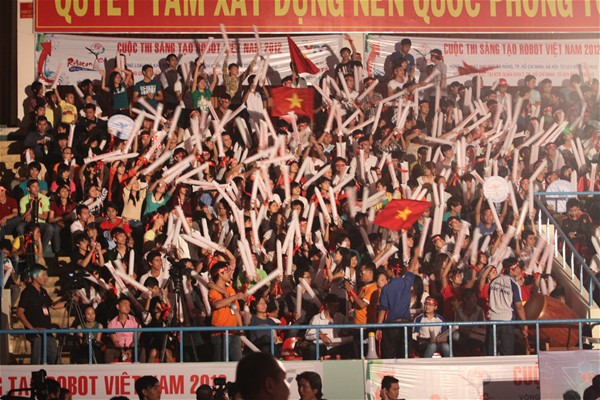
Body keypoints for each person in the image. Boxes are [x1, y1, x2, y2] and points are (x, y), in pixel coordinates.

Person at [16, 264, 65, 364]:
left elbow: (54, 306)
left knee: (55, 359)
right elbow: (19, 313)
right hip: (36, 334)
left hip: (47, 331)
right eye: (43, 275)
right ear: (35, 276)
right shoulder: (27, 292)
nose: (46, 277)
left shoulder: (43, 291)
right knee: (37, 360)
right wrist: (32, 329)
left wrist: (67, 301)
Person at [487, 258, 528, 356]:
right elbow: (519, 306)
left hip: (492, 321)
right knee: (507, 354)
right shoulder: (514, 284)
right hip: (507, 322)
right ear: (511, 270)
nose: (520, 270)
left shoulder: (493, 281)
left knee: (491, 354)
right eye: (518, 267)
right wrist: (524, 324)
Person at [376, 263, 415, 359]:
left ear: (392, 270)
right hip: (406, 325)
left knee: (389, 355)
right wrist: (415, 256)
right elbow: (412, 268)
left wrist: (378, 327)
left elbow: (382, 309)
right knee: (405, 356)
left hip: (392, 326)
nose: (386, 271)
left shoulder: (386, 288)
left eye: (388, 269)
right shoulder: (407, 282)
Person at [209, 261, 245, 361]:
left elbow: (236, 309)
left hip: (233, 331)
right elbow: (217, 304)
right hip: (220, 332)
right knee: (221, 362)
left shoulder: (230, 289)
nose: (230, 274)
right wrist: (235, 296)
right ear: (220, 273)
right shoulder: (213, 291)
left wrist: (241, 330)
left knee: (238, 362)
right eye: (227, 271)